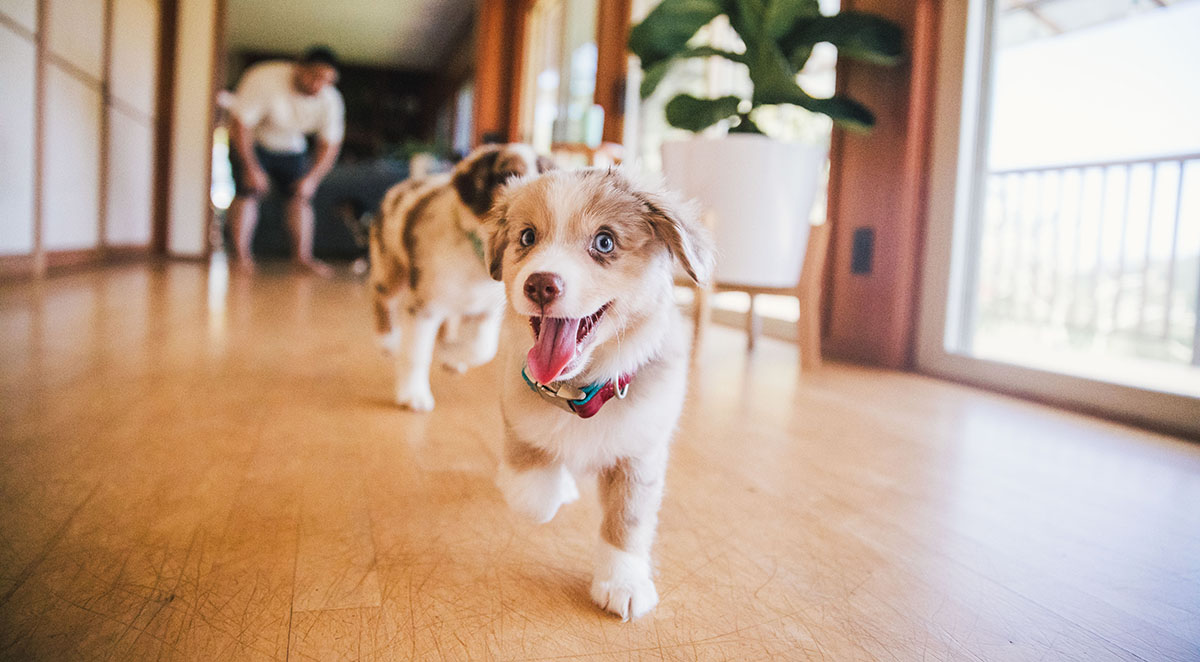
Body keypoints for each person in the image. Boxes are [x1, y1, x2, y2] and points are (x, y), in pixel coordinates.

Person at [227, 46, 345, 276]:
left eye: (326, 80)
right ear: (299, 68)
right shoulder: (264, 78)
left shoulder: (331, 100)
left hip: (292, 146)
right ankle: (241, 257)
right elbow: (240, 124)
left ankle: (302, 259)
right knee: (247, 193)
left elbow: (329, 145)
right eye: (314, 76)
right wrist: (251, 167)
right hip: (254, 142)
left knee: (301, 198)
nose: (318, 84)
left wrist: (312, 179)